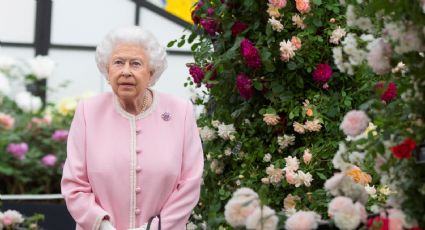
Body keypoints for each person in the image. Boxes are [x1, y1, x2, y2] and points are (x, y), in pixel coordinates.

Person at [61, 26, 204, 230]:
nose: (126, 71)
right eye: (118, 63)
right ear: (107, 70)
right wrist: (103, 226)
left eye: (136, 64)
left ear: (151, 72)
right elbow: (74, 185)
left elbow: (190, 184)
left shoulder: (181, 112)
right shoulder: (88, 112)